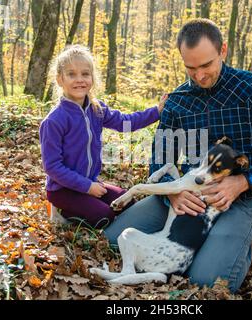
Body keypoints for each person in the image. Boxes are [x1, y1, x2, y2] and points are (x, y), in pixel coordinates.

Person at [104, 19, 252, 293]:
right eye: (190, 67)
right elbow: (161, 157)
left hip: (240, 199)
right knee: (112, 240)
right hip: (187, 194)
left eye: (206, 65)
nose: (199, 76)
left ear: (223, 51)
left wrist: (243, 181)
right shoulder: (178, 100)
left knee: (208, 282)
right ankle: (209, 243)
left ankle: (238, 244)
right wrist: (171, 194)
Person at [39, 45, 167, 229]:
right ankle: (62, 212)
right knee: (103, 216)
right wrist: (88, 187)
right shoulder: (55, 120)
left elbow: (125, 122)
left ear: (92, 78)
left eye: (85, 74)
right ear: (60, 79)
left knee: (126, 201)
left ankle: (87, 206)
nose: (80, 80)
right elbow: (52, 167)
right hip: (62, 190)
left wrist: (156, 112)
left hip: (89, 183)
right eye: (71, 74)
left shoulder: (96, 109)